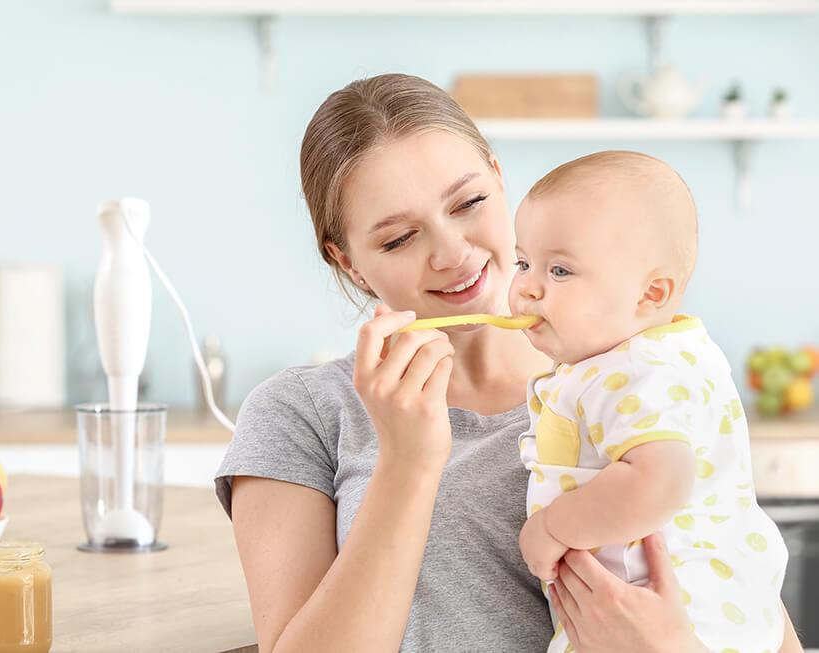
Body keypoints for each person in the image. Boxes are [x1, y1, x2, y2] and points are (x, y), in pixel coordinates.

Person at [214, 73, 803, 652]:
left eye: (468, 203)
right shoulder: (301, 414)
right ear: (348, 263)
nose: (452, 253)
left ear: (499, 179)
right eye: (398, 239)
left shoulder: (628, 374)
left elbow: (742, 591)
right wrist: (408, 462)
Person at [509, 151, 790, 652]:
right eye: (524, 262)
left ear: (650, 294)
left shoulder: (636, 371)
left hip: (668, 613)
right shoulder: (665, 354)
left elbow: (659, 479)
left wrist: (552, 526)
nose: (527, 287)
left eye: (560, 271)